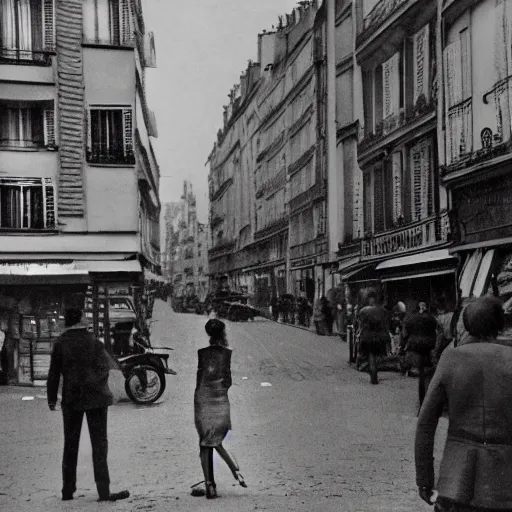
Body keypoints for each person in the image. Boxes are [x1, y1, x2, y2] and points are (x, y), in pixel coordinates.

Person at [415, 296, 512, 512]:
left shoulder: (451, 358)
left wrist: (424, 478)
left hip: (456, 482)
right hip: (504, 486)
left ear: (466, 325)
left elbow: (425, 423)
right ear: (500, 325)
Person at [47, 306, 129, 503]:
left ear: (67, 322)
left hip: (72, 398)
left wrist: (51, 398)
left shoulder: (60, 344)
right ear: (82, 320)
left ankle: (68, 490)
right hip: (97, 398)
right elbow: (105, 368)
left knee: (70, 445)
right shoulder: (94, 342)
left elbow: (54, 373)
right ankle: (103, 490)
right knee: (99, 445)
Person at [192, 319, 246, 499]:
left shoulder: (202, 353)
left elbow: (199, 378)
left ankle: (210, 485)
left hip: (202, 399)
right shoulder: (226, 354)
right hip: (220, 399)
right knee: (216, 440)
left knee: (205, 442)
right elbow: (228, 380)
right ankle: (235, 470)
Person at [401, 302, 438, 408]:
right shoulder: (431, 318)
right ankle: (426, 399)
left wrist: (404, 346)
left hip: (415, 346)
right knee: (425, 372)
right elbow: (435, 331)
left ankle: (423, 401)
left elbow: (405, 334)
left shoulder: (411, 318)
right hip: (427, 346)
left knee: (422, 373)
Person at [358, 291, 390, 385]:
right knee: (376, 354)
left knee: (370, 354)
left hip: (367, 336)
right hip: (380, 337)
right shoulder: (383, 310)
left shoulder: (363, 310)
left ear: (369, 300)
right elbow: (386, 325)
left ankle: (373, 373)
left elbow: (360, 324)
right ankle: (374, 371)